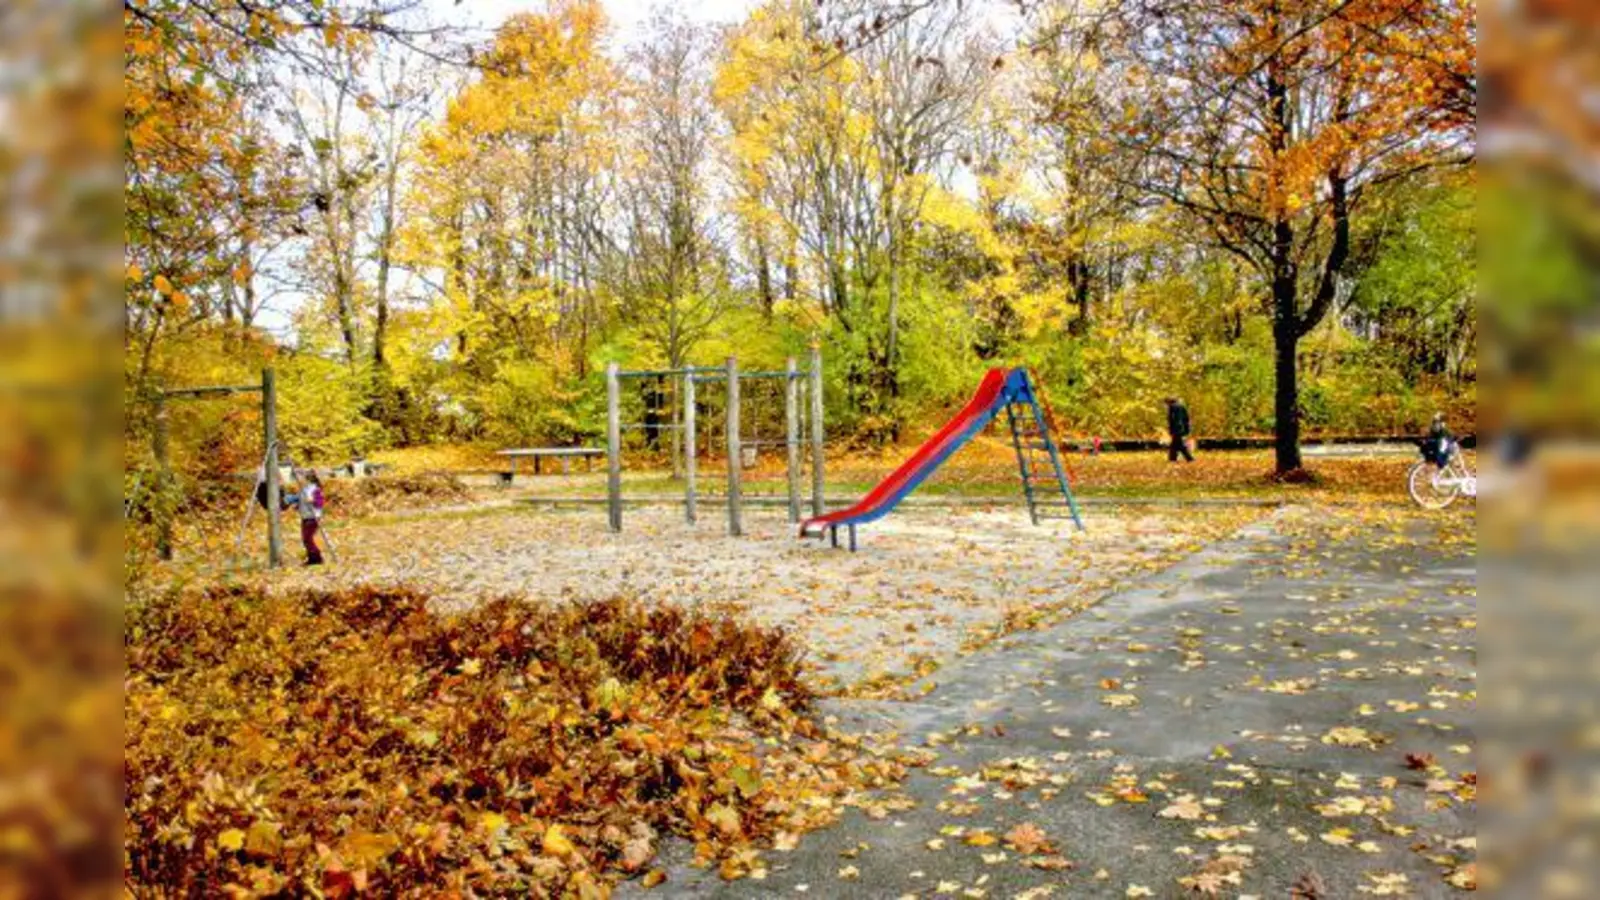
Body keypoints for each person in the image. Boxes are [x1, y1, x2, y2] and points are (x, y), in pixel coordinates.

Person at [283, 468, 326, 566]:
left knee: (307, 538)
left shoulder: (315, 489)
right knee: (305, 539)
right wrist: (298, 506)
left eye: (301, 478)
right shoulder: (304, 489)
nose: (298, 480)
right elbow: (302, 501)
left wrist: (312, 500)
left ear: (307, 479)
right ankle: (311, 558)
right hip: (305, 516)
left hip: (313, 517)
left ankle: (317, 558)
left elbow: (320, 503)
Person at [1165, 397, 1194, 463]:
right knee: (1176, 444)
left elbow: (1171, 420)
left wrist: (1171, 430)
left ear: (1168, 402)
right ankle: (1173, 458)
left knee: (1177, 445)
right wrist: (1187, 429)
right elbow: (1186, 418)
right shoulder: (1182, 407)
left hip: (1176, 429)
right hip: (1182, 428)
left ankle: (1188, 458)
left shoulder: (1171, 407)